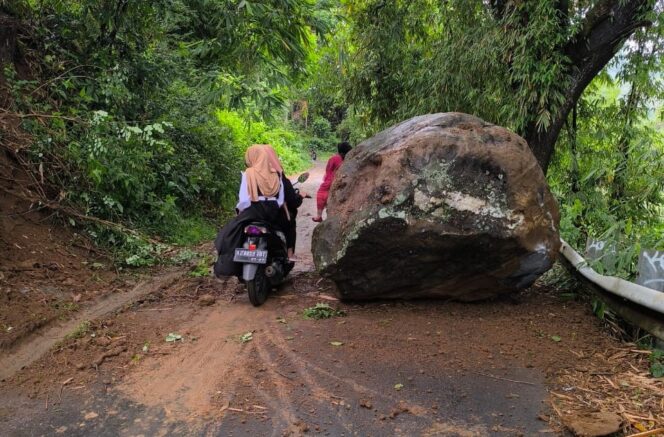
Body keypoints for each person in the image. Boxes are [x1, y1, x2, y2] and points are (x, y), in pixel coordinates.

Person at [213, 144, 285, 278]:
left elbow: (244, 199)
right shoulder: (276, 174)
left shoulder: (249, 173)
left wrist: (240, 211)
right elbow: (280, 200)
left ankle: (226, 269)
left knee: (230, 232)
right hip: (273, 210)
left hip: (255, 210)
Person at [262, 145, 305, 259]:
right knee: (290, 223)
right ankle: (290, 253)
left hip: (253, 214)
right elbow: (292, 201)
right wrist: (300, 196)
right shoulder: (279, 176)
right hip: (274, 216)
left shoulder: (250, 175)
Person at [312, 141, 352, 222]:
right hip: (342, 180)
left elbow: (328, 170)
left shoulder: (335, 158)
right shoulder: (347, 159)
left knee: (321, 194)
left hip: (331, 181)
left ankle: (319, 216)